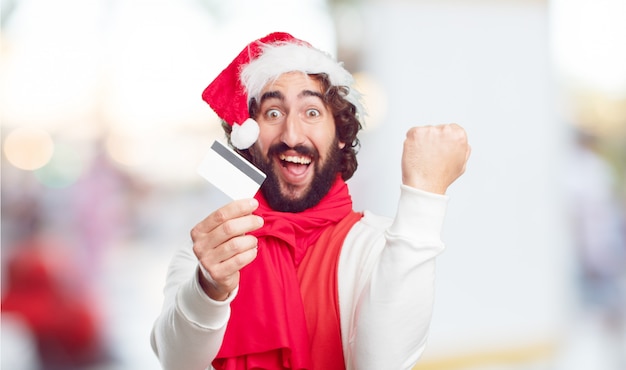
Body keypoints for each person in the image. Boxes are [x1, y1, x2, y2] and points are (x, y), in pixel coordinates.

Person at [151, 32, 471, 370]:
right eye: (273, 113)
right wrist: (209, 288)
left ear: (341, 136)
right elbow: (175, 362)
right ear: (248, 137)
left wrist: (424, 195)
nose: (291, 135)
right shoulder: (212, 250)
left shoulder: (376, 244)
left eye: (312, 113)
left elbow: (383, 363)